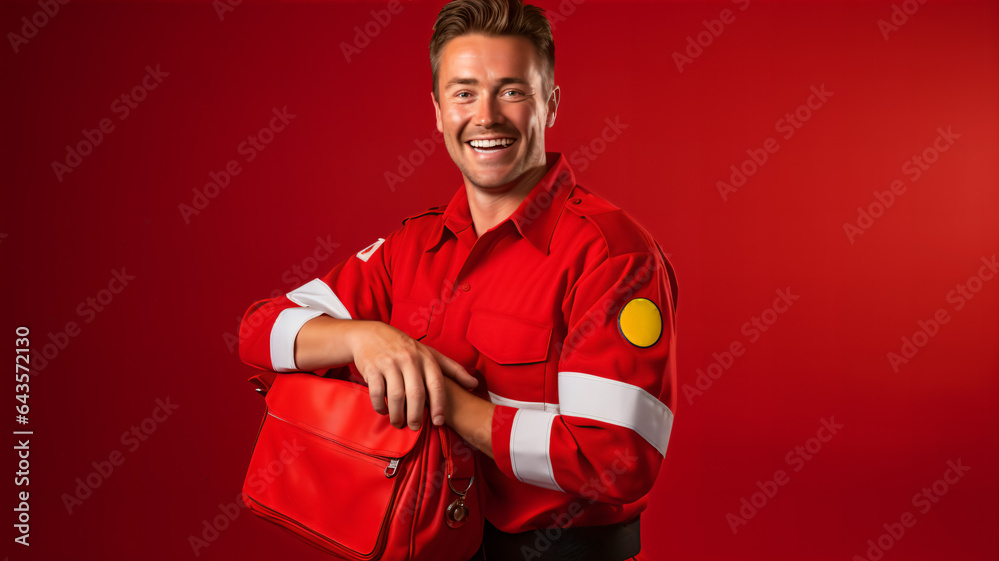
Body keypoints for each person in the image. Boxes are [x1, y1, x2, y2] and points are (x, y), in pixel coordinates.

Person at [238, 1, 677, 559]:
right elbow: (260, 331)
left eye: (512, 91)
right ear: (439, 111)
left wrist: (442, 400)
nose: (486, 116)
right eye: (464, 93)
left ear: (551, 104)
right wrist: (365, 339)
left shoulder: (611, 255)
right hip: (417, 543)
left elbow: (618, 459)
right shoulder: (410, 247)